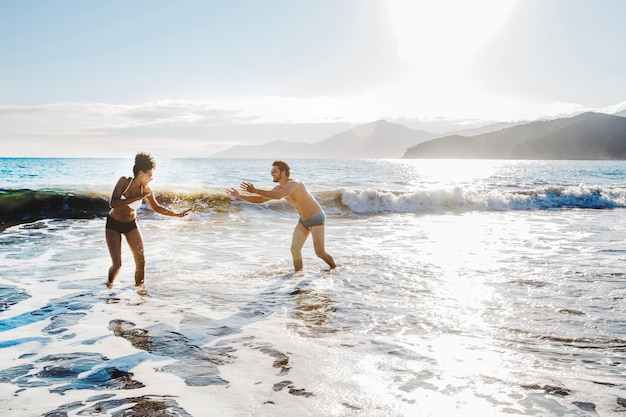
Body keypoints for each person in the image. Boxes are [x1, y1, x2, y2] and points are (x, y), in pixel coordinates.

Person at [226, 160, 336, 271]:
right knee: (295, 249)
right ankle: (298, 274)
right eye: (271, 170)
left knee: (320, 252)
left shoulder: (294, 183)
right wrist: (240, 196)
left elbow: (279, 196)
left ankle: (334, 269)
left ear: (283, 172)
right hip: (303, 220)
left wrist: (254, 190)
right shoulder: (279, 188)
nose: (271, 173)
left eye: (274, 170)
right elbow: (261, 199)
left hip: (316, 217)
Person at [105, 152, 191, 288]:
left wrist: (177, 215)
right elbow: (113, 203)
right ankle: (109, 287)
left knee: (141, 262)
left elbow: (157, 207)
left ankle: (140, 293)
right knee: (117, 265)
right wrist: (137, 198)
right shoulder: (124, 182)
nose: (152, 178)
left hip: (131, 224)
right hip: (113, 224)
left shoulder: (146, 190)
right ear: (141, 173)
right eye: (150, 175)